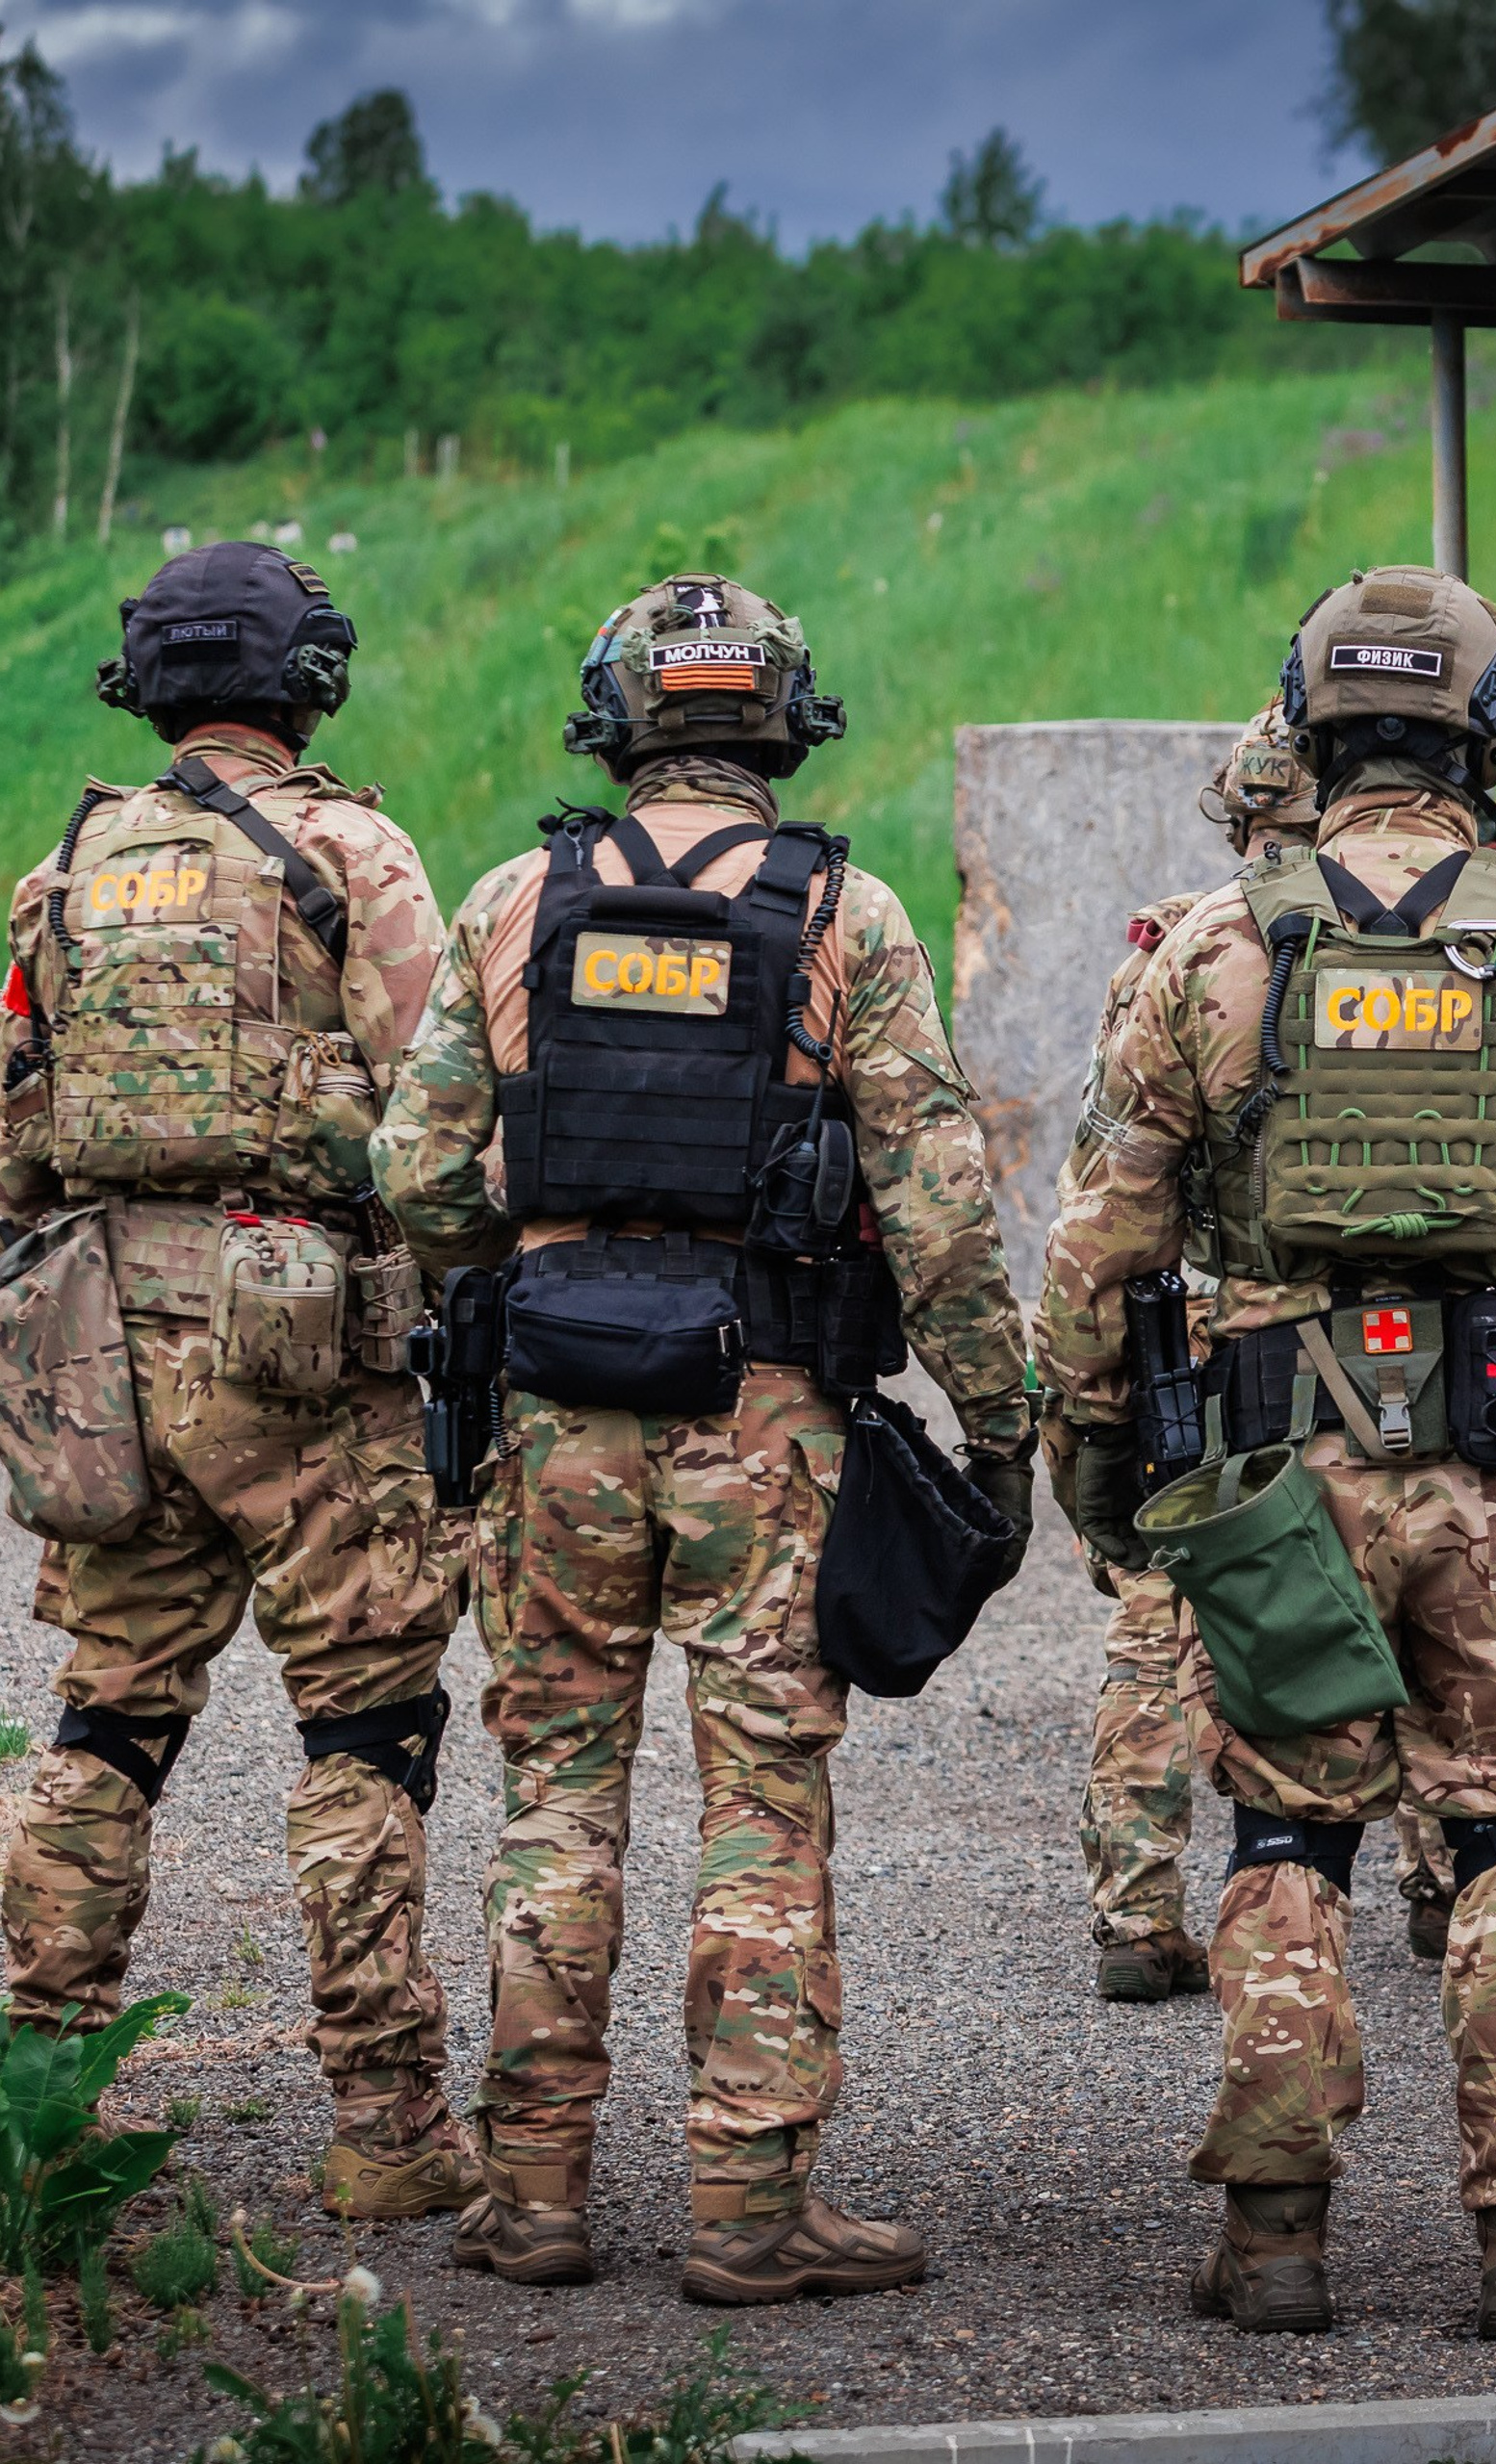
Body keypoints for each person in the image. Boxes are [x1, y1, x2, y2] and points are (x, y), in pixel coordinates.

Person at [1040, 566, 1496, 2340]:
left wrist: (1101, 1462)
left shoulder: (1214, 951)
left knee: (1287, 1838)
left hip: (1283, 1470)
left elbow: (1097, 1247)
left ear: (1313, 729)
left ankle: (1275, 2236)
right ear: (1485, 732)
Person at [371, 573, 1034, 2303]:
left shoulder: (516, 901)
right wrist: (1006, 1423)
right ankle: (749, 2208)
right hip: (766, 1425)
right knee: (763, 1807)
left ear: (616, 718)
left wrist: (542, 1255)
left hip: (556, 1431)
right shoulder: (847, 919)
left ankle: (533, 2196)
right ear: (780, 722)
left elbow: (419, 1176)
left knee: (555, 1804)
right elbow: (942, 1214)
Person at [0, 542, 472, 2220]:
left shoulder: (61, 869)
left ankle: (34, 2116)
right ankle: (391, 2136)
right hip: (301, 1351)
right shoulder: (348, 849)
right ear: (304, 681)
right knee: (363, 1725)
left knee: (106, 1718)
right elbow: (437, 1123)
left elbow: (14, 1130)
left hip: (103, 1354)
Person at [1052, 706, 1457, 2000]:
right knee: (1430, 1588)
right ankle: (1448, 1877)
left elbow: (1104, 1186)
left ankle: (1138, 1901)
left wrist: (1088, 1413)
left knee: (1163, 1614)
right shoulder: (1465, 928)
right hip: (1432, 1341)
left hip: (1232, 1345)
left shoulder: (1189, 950)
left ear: (1242, 819)